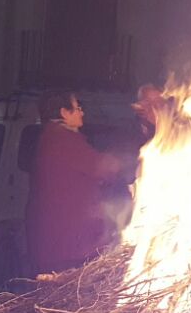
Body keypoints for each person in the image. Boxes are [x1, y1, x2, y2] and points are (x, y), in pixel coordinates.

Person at [25, 91, 124, 276]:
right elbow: (104, 168)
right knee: (64, 298)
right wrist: (137, 161)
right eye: (78, 108)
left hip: (55, 242)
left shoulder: (50, 137)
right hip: (66, 245)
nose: (82, 113)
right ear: (64, 113)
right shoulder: (62, 139)